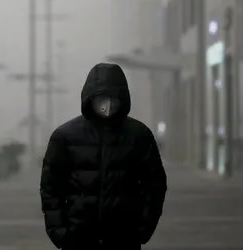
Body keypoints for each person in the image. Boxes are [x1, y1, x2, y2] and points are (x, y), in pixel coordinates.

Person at [40, 62, 167, 250]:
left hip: (124, 239)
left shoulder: (139, 135)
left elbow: (155, 184)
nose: (106, 106)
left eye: (112, 99)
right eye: (101, 99)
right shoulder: (65, 136)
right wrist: (60, 232)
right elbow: (51, 187)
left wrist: (142, 229)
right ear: (90, 98)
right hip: (78, 239)